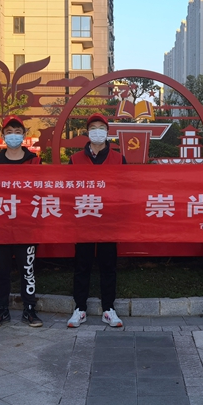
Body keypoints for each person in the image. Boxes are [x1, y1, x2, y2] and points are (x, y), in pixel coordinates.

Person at [66, 113, 126, 328]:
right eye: (93, 127)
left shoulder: (118, 158)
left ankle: (108, 309)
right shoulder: (75, 159)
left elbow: (127, 187)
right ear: (87, 132)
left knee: (108, 265)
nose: (97, 131)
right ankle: (80, 309)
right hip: (84, 219)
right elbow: (68, 189)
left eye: (101, 127)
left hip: (108, 221)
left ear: (107, 132)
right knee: (82, 265)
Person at [0, 116, 44, 329]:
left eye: (17, 132)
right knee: (2, 270)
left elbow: (42, 190)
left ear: (24, 135)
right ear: (3, 135)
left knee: (27, 270)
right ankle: (1, 309)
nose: (13, 135)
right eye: (9, 132)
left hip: (27, 226)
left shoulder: (35, 161)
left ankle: (29, 309)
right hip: (2, 225)